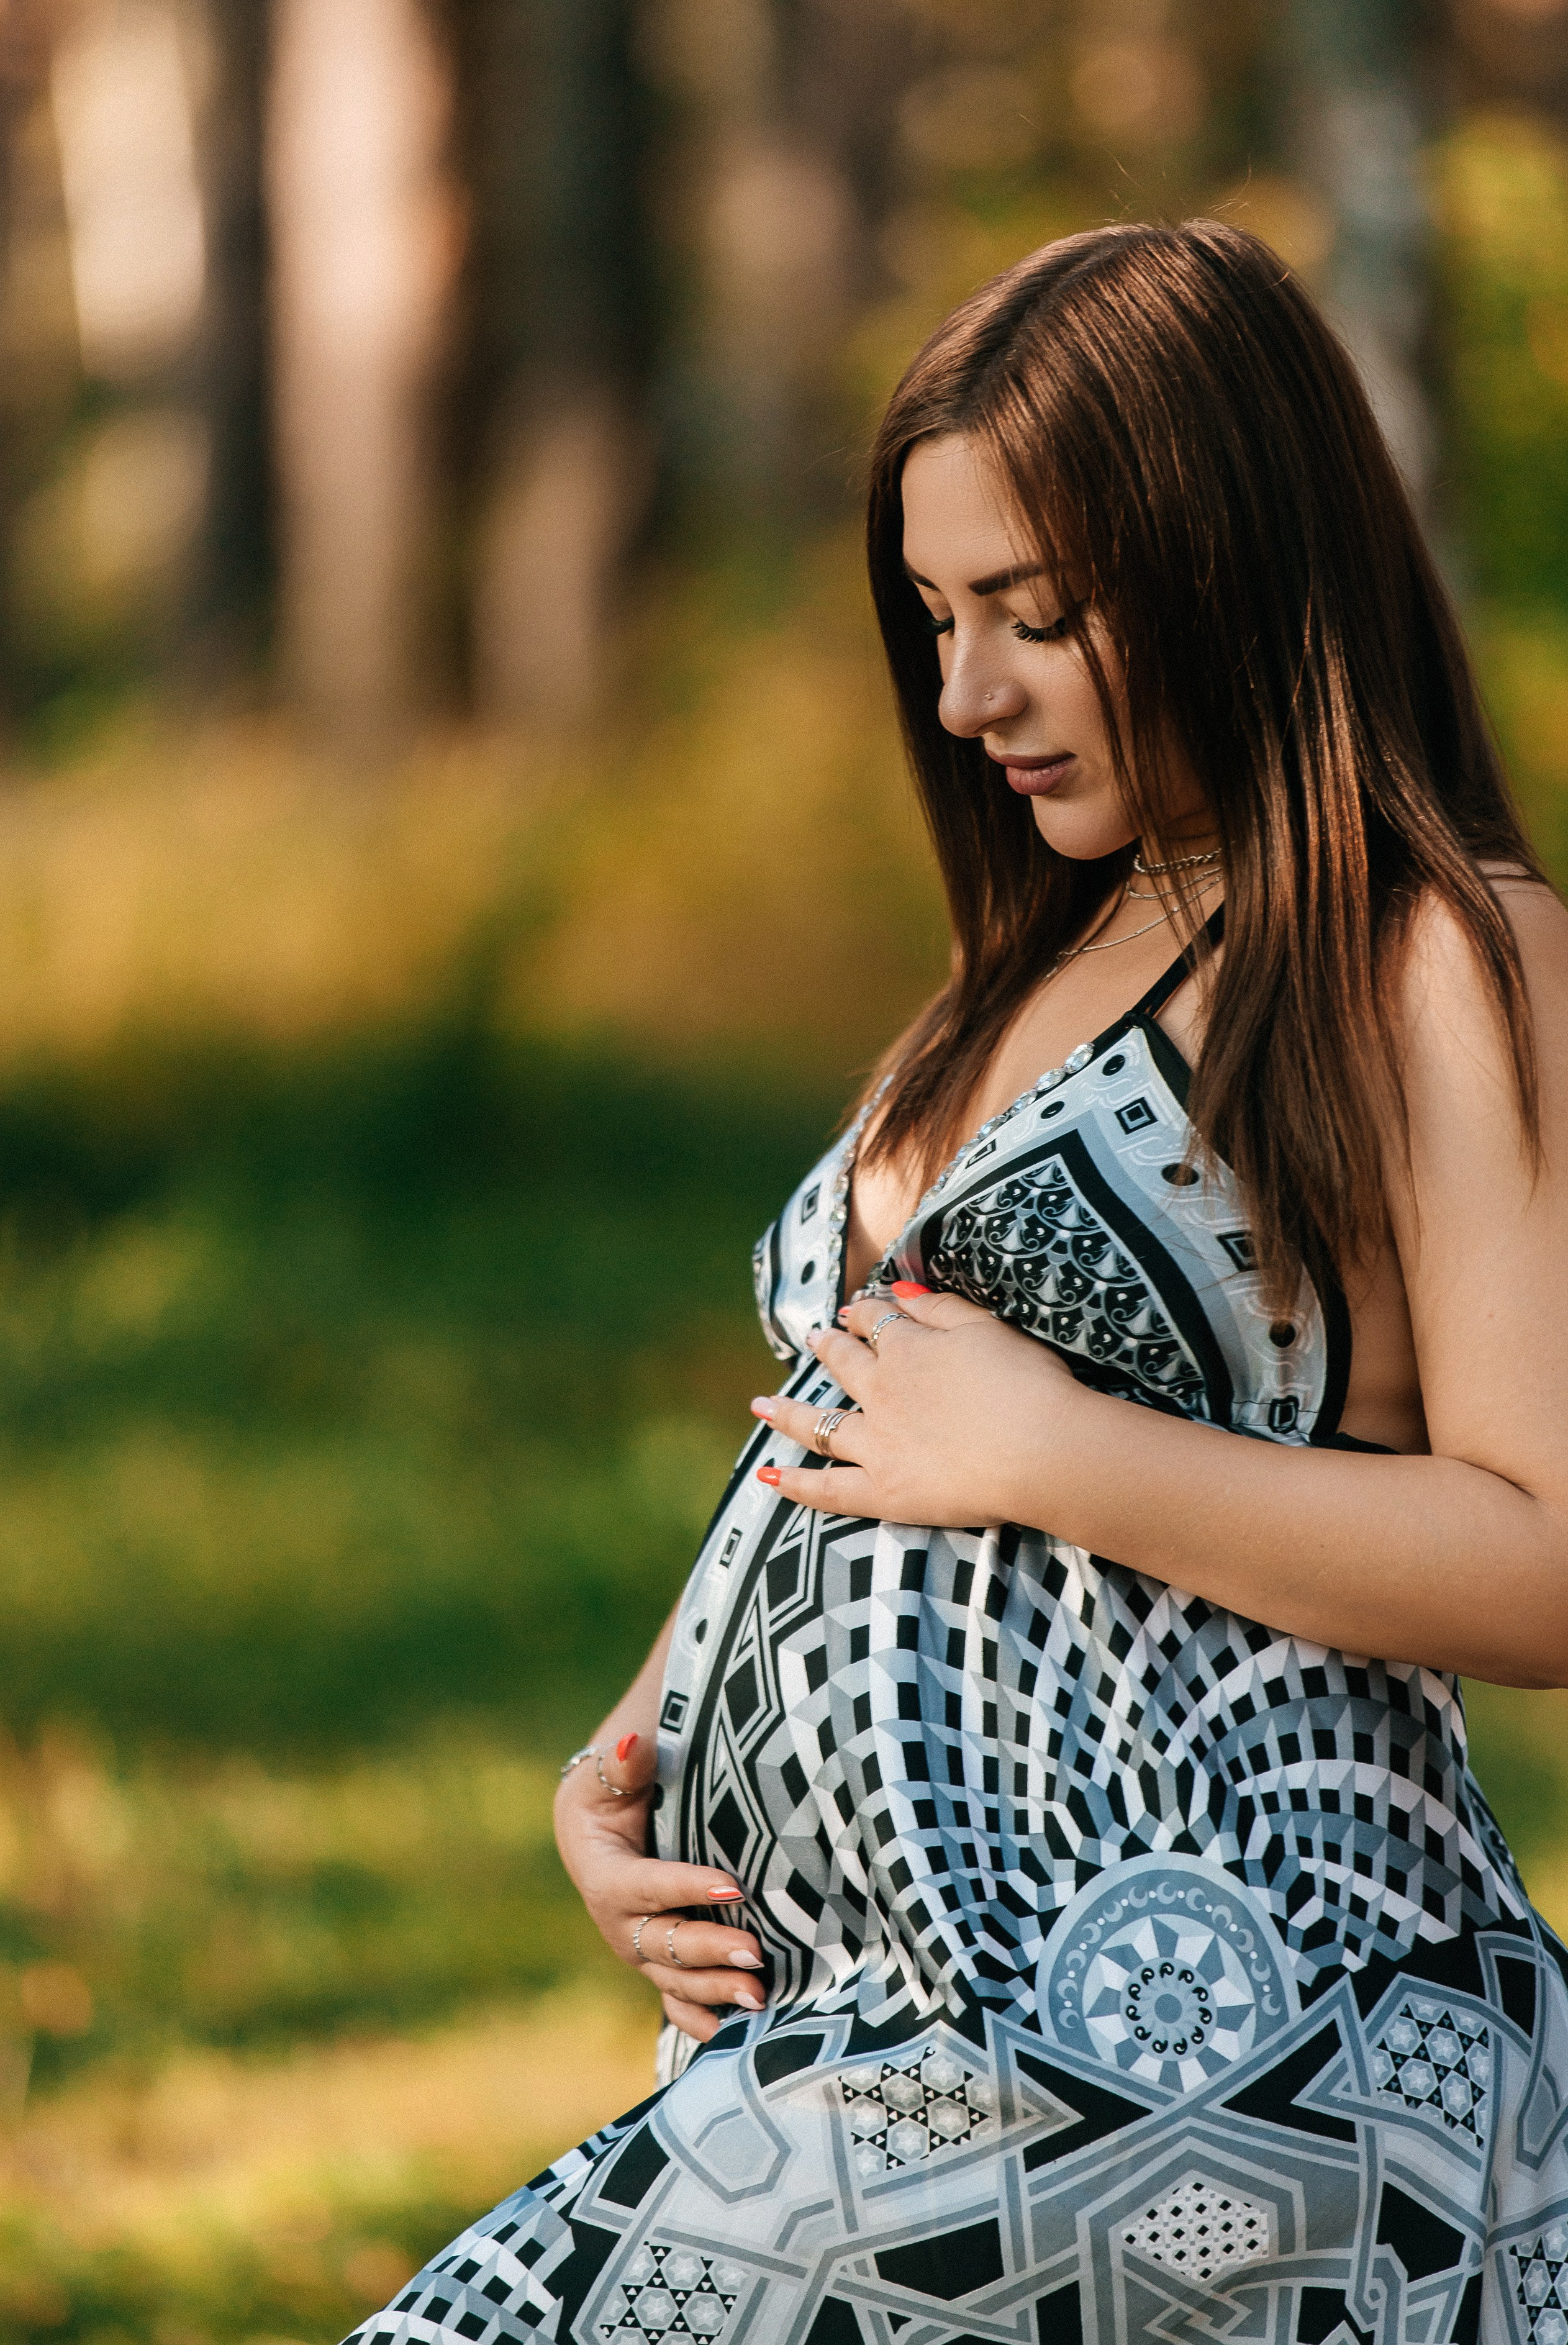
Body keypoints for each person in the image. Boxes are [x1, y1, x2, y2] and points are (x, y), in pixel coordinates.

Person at [351, 223, 1568, 2345]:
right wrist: (637, 1745)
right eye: (934, 615)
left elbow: (1558, 1556)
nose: (964, 692)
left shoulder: (1438, 955)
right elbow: (871, 1412)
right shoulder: (1033, 960)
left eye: (1038, 615)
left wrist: (1065, 1452)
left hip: (1234, 2043)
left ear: (1237, 565)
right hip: (902, 2034)